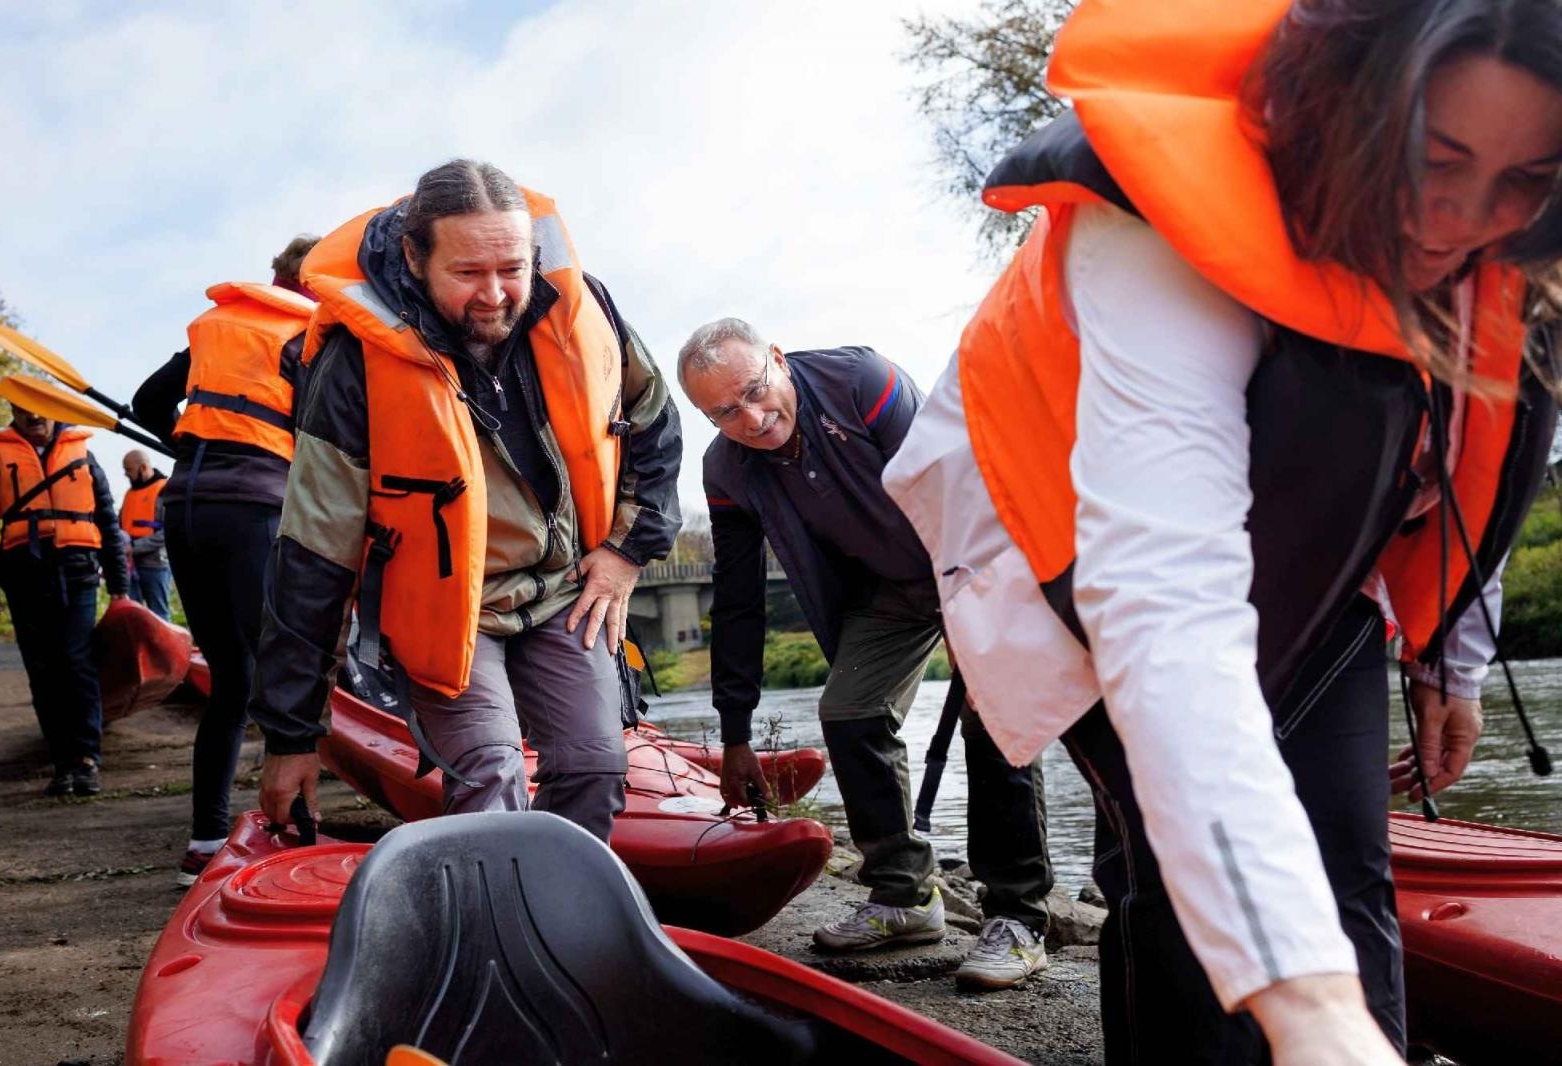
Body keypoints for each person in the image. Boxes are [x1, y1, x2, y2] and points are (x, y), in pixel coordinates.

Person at [883, 1, 1562, 1062]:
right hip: (1083, 549)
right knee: (1165, 863)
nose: (1457, 221)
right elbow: (1165, 605)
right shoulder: (1157, 216)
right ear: (1356, 107)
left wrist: (1454, 663)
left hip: (1323, 564)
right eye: (1436, 157)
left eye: (1523, 182)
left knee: (1345, 857)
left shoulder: (1514, 259)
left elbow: (1476, 455)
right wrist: (1309, 1007)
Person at [248, 160, 681, 846]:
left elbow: (654, 421)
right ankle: (489, 939)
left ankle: (558, 924)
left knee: (595, 764)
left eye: (512, 268)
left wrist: (628, 552)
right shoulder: (354, 365)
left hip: (564, 587)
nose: (496, 295)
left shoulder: (579, 307)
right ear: (416, 259)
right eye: (468, 273)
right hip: (448, 606)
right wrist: (293, 734)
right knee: (490, 772)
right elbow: (313, 554)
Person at [682, 318, 1055, 991]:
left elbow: (957, 493)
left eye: (757, 391)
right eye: (724, 411)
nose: (753, 417)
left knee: (996, 719)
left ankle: (1019, 919)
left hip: (972, 560)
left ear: (777, 358)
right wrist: (735, 734)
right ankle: (905, 896)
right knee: (850, 713)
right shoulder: (726, 470)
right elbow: (739, 601)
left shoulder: (862, 383)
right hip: (885, 591)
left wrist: (981, 636)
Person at [132, 234, 319, 886]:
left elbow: (146, 402)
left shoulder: (220, 324)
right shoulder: (310, 335)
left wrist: (186, 442)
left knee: (232, 683)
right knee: (281, 671)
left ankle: (205, 842)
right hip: (254, 509)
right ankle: (297, 838)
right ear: (315, 283)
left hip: (183, 505)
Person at [0, 403, 130, 795]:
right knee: (43, 669)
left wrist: (120, 585)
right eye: (23, 410)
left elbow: (107, 519)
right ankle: (62, 761)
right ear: (12, 412)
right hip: (23, 576)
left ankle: (87, 759)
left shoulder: (83, 455)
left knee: (76, 662)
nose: (32, 417)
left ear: (52, 410)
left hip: (77, 573)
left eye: (39, 409)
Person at [119, 448, 171, 619]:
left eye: (128, 470)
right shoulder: (128, 494)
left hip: (155, 564)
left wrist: (134, 547)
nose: (126, 474)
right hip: (129, 565)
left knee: (159, 615)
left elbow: (167, 532)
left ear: (142, 468)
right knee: (132, 615)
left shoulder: (165, 490)